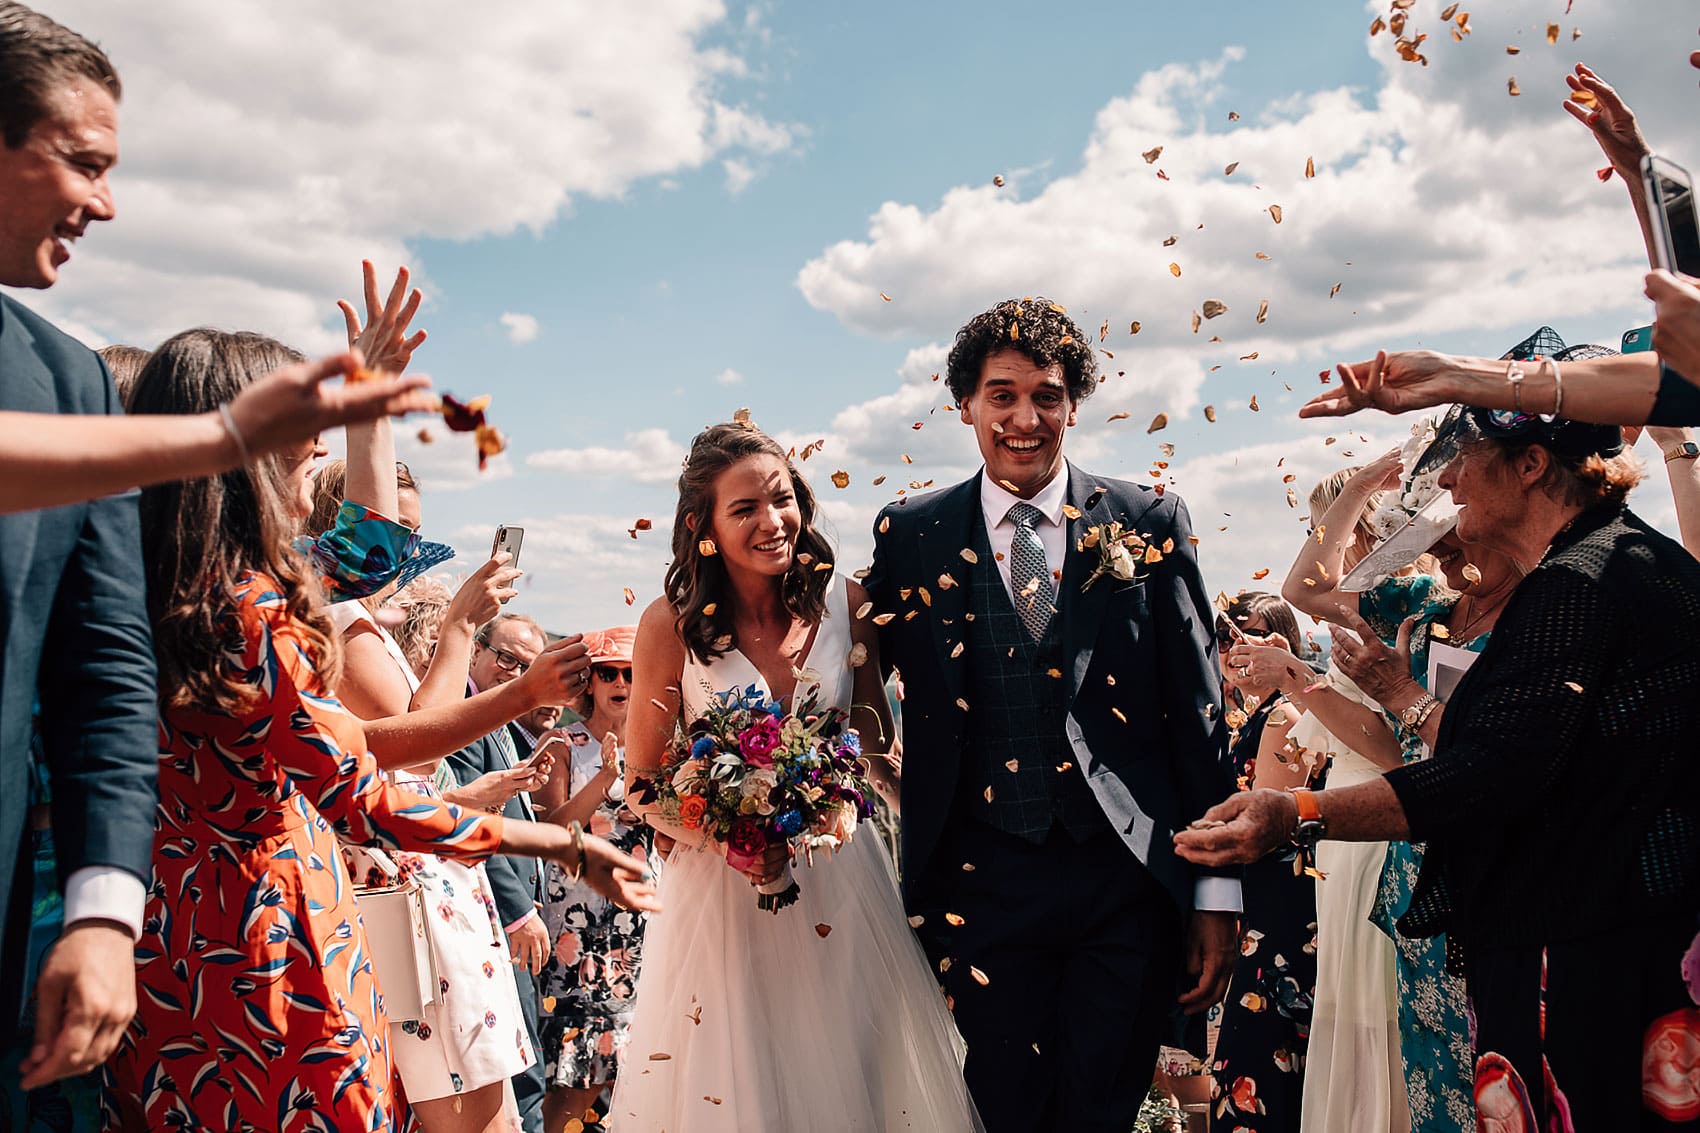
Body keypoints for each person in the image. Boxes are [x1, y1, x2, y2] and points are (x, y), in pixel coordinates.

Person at [105, 326, 656, 1131]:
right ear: (242, 462)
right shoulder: (252, 614)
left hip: (166, 950)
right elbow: (364, 795)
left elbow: (367, 557)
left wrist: (372, 396)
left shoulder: (122, 591)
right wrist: (561, 845)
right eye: (301, 459)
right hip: (270, 950)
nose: (308, 488)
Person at [1177, 407, 1700, 1130]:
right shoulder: (1442, 606)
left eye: (1462, 472)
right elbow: (1311, 589)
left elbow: (1497, 767)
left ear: (1530, 466)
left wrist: (1307, 800)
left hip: (1580, 919)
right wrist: (1361, 485)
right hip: (1461, 882)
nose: (1451, 499)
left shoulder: (1570, 592)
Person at [865, 298, 1237, 1133]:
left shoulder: (1146, 522)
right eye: (1002, 395)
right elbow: (840, 657)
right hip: (982, 883)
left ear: (1074, 404)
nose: (1025, 418)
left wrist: (1216, 889)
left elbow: (1199, 718)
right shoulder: (911, 533)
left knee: (1103, 1109)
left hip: (1127, 880)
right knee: (1005, 1109)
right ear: (965, 404)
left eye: (1048, 395)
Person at [615, 421, 978, 1131]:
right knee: (738, 1086)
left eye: (781, 499)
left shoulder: (850, 605)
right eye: (744, 508)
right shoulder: (671, 625)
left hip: (844, 883)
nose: (772, 521)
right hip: (720, 898)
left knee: (858, 1078)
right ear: (704, 526)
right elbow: (642, 782)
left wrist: (950, 826)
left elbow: (875, 750)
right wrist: (732, 837)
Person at [0, 4, 155, 1100]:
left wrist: (104, 908)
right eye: (82, 162)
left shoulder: (73, 384)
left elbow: (104, 674)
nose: (104, 202)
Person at [447, 613, 569, 1133]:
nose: (514, 672)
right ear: (475, 651)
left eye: (527, 667)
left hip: (509, 924)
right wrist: (519, 913)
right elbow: (474, 824)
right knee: (523, 1077)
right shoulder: (465, 718)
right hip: (495, 921)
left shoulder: (498, 723)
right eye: (506, 659)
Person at [533, 626, 655, 1132]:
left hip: (638, 924)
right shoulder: (563, 742)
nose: (620, 682)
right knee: (576, 1071)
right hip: (578, 929)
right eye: (608, 672)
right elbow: (551, 829)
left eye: (630, 672)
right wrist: (606, 779)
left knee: (633, 1065)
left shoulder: (657, 745)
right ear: (590, 681)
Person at [1208, 594, 1317, 1133]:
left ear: (1279, 643)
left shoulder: (1284, 716)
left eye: (1241, 632)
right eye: (1223, 637)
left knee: (1262, 1057)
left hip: (1280, 915)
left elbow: (1261, 831)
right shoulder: (1242, 718)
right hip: (1256, 912)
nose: (1230, 648)